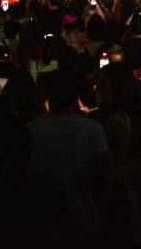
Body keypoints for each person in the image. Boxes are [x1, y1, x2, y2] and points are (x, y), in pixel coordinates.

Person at [27, 68, 109, 230]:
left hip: (41, 217)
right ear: (75, 97)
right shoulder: (92, 129)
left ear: (47, 95)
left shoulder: (30, 130)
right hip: (83, 216)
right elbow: (103, 175)